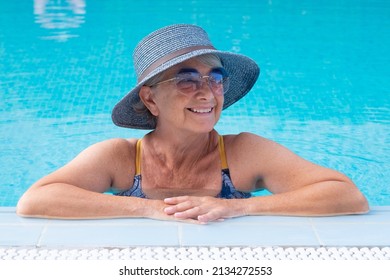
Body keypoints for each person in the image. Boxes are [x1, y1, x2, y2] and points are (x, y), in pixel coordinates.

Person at [16, 24, 369, 223]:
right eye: (187, 79)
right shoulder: (120, 158)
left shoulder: (243, 152)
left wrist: (238, 206)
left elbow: (348, 195)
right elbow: (35, 201)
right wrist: (149, 209)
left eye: (215, 79)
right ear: (150, 99)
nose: (207, 93)